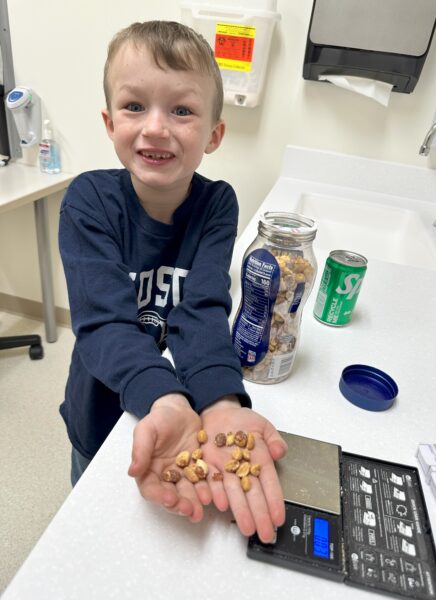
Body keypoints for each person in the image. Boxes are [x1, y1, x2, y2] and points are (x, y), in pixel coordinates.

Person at [59, 20, 287, 543]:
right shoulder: (88, 201)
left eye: (181, 110)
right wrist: (164, 398)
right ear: (109, 121)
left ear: (213, 134)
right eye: (134, 106)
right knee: (91, 524)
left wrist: (222, 401)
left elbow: (202, 307)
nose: (156, 127)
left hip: (182, 411)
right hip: (103, 407)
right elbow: (104, 324)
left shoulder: (217, 204)